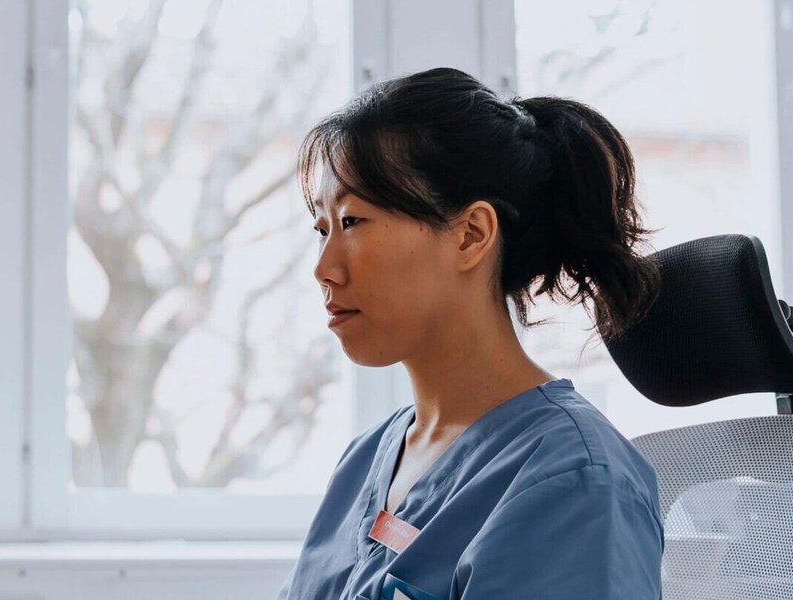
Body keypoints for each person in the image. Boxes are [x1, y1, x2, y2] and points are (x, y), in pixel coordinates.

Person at [278, 66, 664, 600]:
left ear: (470, 235)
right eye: (321, 229)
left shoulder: (572, 481)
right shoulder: (365, 460)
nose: (324, 267)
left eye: (351, 222)